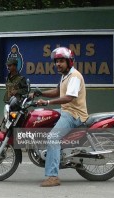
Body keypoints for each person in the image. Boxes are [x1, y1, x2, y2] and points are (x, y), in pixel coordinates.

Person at [30, 47, 88, 187]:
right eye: (56, 62)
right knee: (42, 115)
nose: (58, 64)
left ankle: (53, 176)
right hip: (66, 110)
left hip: (74, 114)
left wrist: (48, 102)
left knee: (53, 137)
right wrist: (40, 93)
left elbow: (68, 97)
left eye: (61, 61)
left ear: (69, 62)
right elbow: (57, 91)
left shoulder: (74, 76)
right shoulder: (65, 75)